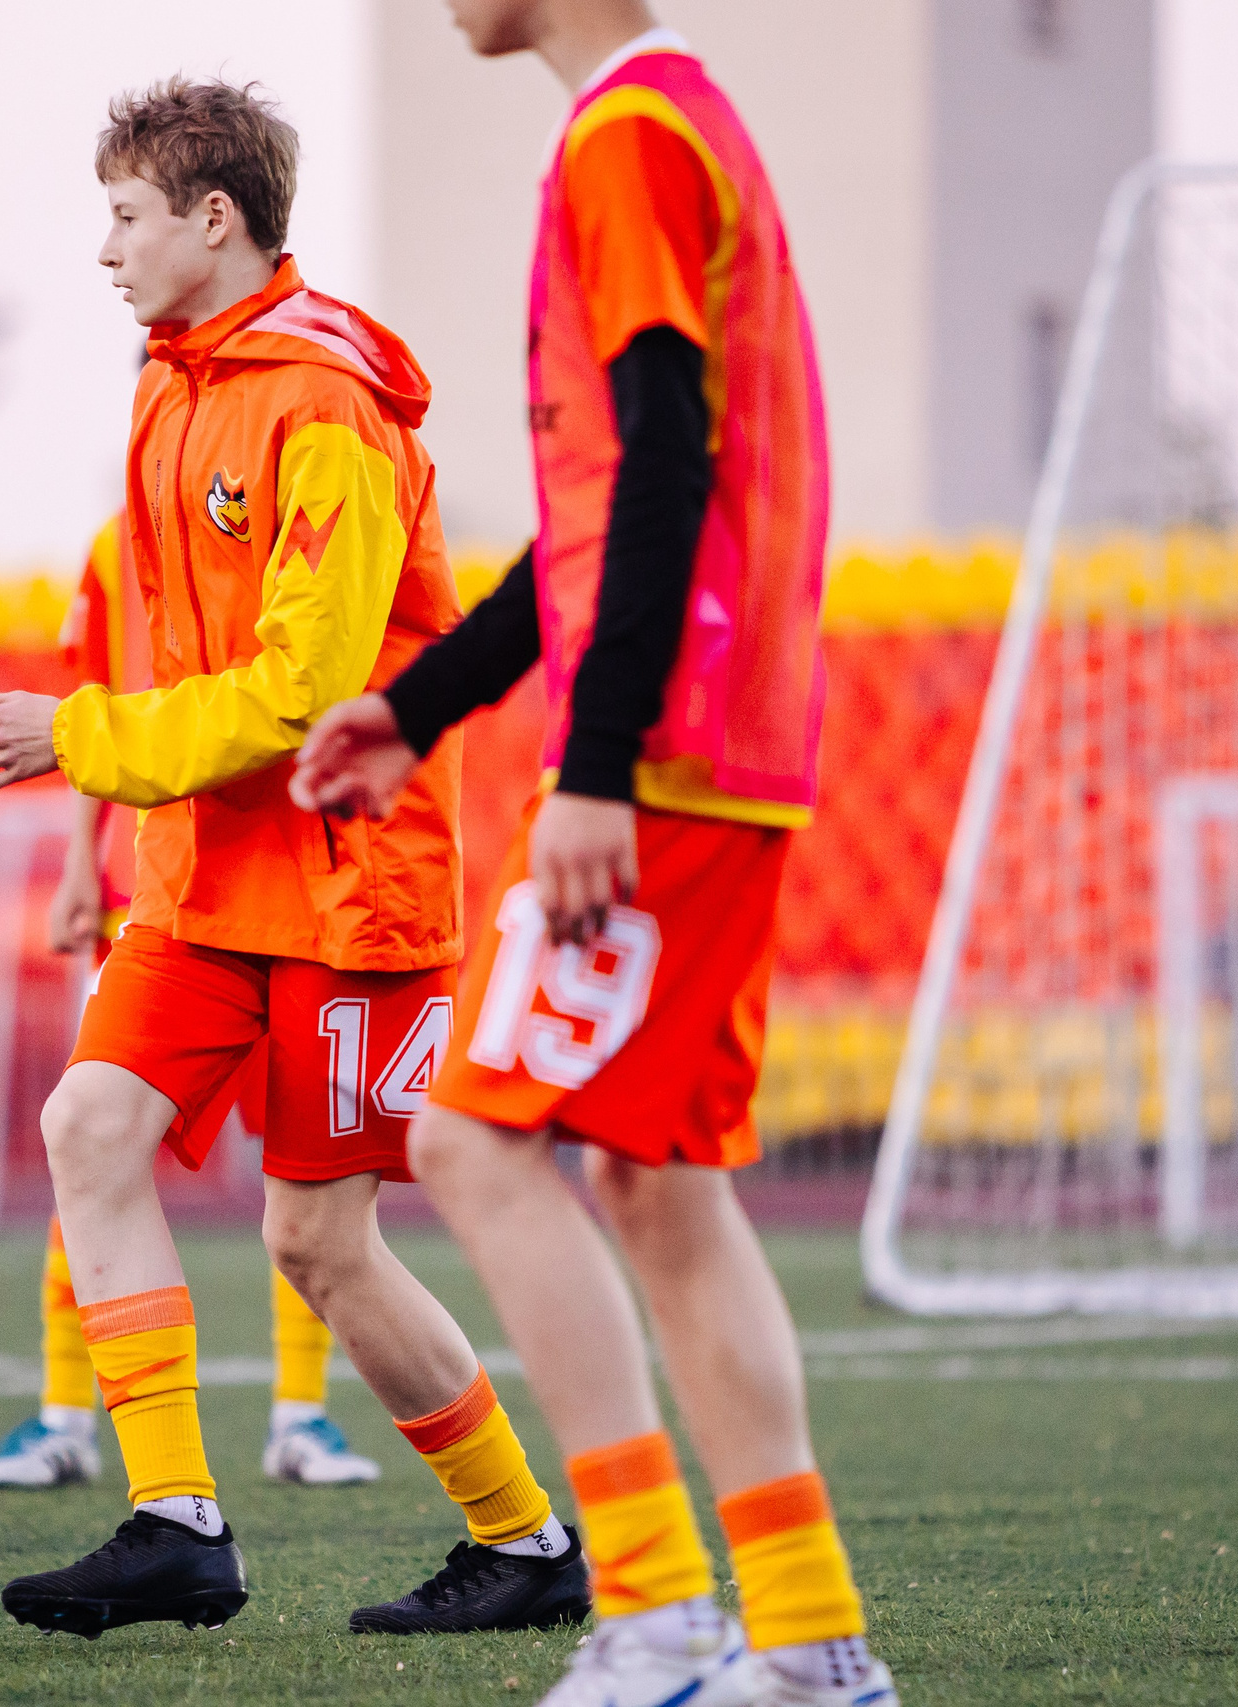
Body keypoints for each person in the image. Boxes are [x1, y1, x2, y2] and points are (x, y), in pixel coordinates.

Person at [291, 5, 899, 1703]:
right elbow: (604, 507)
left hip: (673, 746)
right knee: (658, 1184)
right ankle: (809, 1639)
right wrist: (423, 703)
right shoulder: (682, 119)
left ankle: (654, 1611)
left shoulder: (628, 134)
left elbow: (662, 472)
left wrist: (599, 762)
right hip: (731, 736)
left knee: (472, 1141)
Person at [0, 77, 586, 1639]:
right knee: (89, 1124)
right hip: (204, 877)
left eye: (126, 216)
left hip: (349, 886)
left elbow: (306, 689)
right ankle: (177, 1521)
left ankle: (528, 1539)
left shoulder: (325, 406)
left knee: (319, 1243)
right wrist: (113, 816)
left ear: (212, 219)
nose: (106, 249)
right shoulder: (171, 389)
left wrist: (78, 737)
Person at [0, 514, 379, 1492]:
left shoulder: (294, 509)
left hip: (289, 889)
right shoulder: (117, 539)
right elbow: (96, 703)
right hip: (153, 890)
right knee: (93, 1140)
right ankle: (65, 1415)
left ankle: (302, 1415)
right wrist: (82, 861)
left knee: (310, 1169)